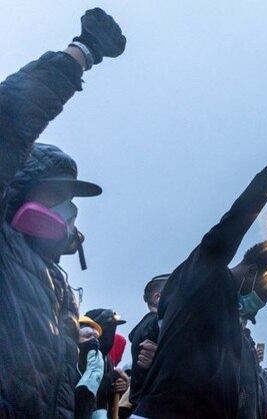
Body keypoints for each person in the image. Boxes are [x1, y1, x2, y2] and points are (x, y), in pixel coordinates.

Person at [133, 128, 267, 418]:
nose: (264, 302)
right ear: (254, 272)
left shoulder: (234, 321)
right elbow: (238, 217)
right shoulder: (203, 276)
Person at [0, 8, 125, 418]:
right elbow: (9, 122)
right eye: (56, 194)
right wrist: (81, 53)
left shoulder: (59, 286)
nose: (68, 210)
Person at [127, 273, 168, 411]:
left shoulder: (144, 324)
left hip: (142, 406)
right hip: (154, 408)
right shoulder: (156, 323)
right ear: (158, 298)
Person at [86, 308, 131, 418]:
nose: (110, 334)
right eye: (107, 328)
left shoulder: (107, 361)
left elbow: (106, 398)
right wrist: (111, 377)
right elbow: (87, 392)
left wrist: (120, 389)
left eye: (113, 328)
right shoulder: (82, 355)